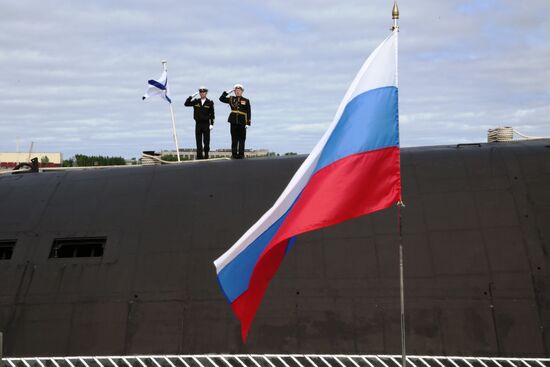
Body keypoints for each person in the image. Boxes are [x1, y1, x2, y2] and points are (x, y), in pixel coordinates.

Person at [219, 84, 251, 159]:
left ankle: (241, 154)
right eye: (236, 91)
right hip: (233, 121)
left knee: (242, 139)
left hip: (242, 121)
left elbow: (248, 112)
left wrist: (248, 122)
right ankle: (234, 154)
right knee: (234, 138)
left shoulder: (246, 100)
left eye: (239, 90)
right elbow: (221, 99)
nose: (237, 92)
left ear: (242, 91)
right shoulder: (231, 99)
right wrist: (227, 92)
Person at [184, 86, 215, 159]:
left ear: (206, 93)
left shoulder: (210, 102)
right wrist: (191, 96)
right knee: (198, 141)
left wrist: (212, 124)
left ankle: (206, 154)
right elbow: (186, 104)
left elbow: (212, 114)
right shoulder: (196, 101)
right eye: (201, 92)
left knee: (206, 141)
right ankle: (199, 155)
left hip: (206, 124)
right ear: (199, 93)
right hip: (198, 123)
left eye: (203, 92)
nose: (202, 93)